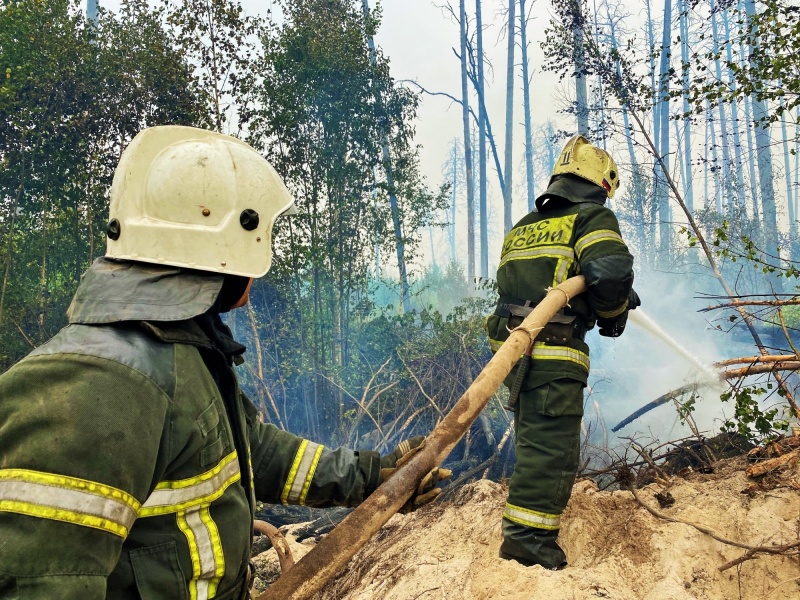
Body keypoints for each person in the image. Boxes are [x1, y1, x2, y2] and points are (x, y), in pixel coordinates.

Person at [0, 126, 448, 599]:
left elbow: (252, 448)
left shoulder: (176, 354)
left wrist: (367, 476)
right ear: (225, 257)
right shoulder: (100, 382)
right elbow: (38, 583)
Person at [485, 135, 639, 569]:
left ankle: (524, 531)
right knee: (553, 450)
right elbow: (610, 271)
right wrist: (612, 310)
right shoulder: (591, 217)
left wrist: (597, 293)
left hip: (514, 354)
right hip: (552, 351)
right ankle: (528, 544)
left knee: (534, 443)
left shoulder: (526, 225)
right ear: (601, 183)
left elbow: (539, 283)